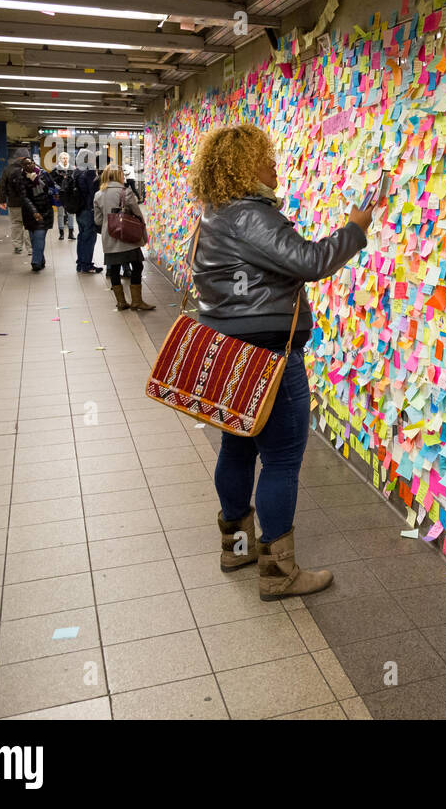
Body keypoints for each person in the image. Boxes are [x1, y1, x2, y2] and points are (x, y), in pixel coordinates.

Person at [188, 124, 374, 600]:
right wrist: (355, 228)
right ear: (245, 165)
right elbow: (310, 261)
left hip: (228, 353)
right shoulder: (251, 216)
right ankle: (278, 571)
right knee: (283, 459)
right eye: (266, 158)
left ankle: (237, 545)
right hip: (270, 354)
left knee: (237, 445)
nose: (275, 166)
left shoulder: (212, 216)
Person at [93, 165, 153, 311]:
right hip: (128, 237)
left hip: (110, 237)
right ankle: (137, 301)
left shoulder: (98, 194)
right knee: (137, 266)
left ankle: (121, 302)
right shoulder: (125, 192)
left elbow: (98, 220)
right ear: (118, 175)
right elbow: (137, 213)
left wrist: (110, 225)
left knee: (114, 269)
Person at [16, 157, 57, 272]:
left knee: (39, 236)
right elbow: (24, 198)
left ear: (34, 163)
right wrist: (34, 212)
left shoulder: (43, 174)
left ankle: (35, 262)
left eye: (30, 163)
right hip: (30, 213)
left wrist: (53, 192)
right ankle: (41, 259)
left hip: (45, 211)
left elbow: (52, 186)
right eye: (25, 165)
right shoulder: (21, 179)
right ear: (23, 167)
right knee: (34, 239)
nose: (29, 166)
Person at [71, 160, 102, 274]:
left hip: (79, 209)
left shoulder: (76, 172)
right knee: (89, 238)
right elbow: (93, 191)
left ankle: (80, 263)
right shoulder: (89, 172)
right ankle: (87, 265)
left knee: (82, 236)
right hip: (88, 209)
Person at [0, 153, 31, 256]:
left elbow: (1, 185)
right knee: (28, 225)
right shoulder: (32, 168)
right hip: (28, 203)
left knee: (16, 224)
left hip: (13, 202)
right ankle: (30, 248)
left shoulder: (8, 169)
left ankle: (17, 246)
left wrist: (2, 200)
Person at [50, 153, 76, 240]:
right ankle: (61, 233)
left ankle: (71, 233)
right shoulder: (55, 170)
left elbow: (75, 181)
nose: (65, 160)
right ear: (60, 159)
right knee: (60, 214)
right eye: (63, 158)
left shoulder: (72, 169)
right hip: (59, 194)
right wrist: (58, 189)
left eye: (66, 158)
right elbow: (52, 182)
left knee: (70, 214)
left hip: (70, 195)